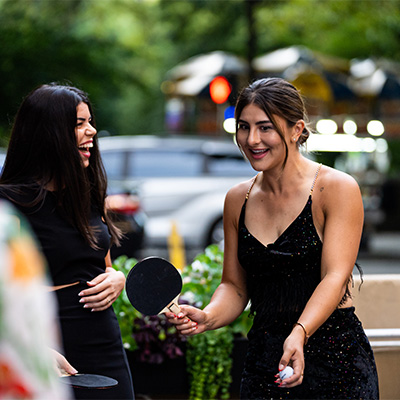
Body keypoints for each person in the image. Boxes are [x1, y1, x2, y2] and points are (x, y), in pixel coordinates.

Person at [167, 78, 379, 399]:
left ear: (296, 130)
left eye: (265, 127)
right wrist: (208, 316)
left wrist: (299, 333)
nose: (252, 139)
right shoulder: (237, 198)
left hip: (335, 359)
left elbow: (335, 278)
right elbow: (235, 287)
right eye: (243, 127)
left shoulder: (335, 188)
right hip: (265, 359)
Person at [0, 83, 134, 399]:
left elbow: (103, 265)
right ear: (49, 132)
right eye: (79, 124)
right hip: (46, 344)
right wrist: (34, 349)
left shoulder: (89, 195)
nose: (92, 130)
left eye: (90, 122)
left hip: (105, 344)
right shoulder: (11, 204)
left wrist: (118, 278)